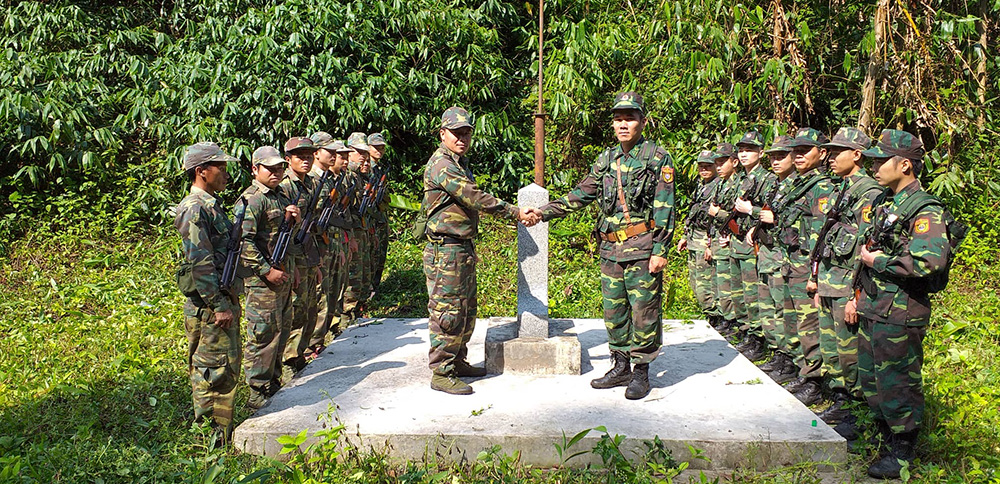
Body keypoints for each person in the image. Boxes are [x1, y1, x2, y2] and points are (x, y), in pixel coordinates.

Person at [529, 91, 675, 400]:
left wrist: (661, 249)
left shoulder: (656, 157)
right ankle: (620, 365)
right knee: (614, 312)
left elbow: (665, 205)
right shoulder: (606, 159)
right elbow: (582, 194)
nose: (623, 124)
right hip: (610, 249)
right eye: (618, 119)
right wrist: (543, 213)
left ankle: (641, 372)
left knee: (643, 311)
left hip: (642, 247)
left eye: (630, 118)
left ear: (642, 121)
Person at [850, 130, 951, 479]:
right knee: (872, 378)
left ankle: (903, 449)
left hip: (901, 310)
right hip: (875, 305)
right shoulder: (886, 202)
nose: (875, 166)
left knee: (898, 381)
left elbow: (929, 261)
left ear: (904, 164)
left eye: (881, 161)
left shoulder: (925, 209)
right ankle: (883, 437)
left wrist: (879, 262)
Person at [421, 106, 537, 395]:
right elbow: (472, 196)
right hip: (445, 249)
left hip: (460, 247)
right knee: (447, 310)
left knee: (465, 308)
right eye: (456, 133)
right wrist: (514, 212)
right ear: (442, 134)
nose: (462, 138)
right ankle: (441, 370)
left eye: (466, 133)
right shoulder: (442, 165)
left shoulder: (458, 162)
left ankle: (457, 360)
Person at [812, 128, 882, 424]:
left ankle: (856, 410)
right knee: (832, 350)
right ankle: (840, 400)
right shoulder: (842, 188)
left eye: (837, 151)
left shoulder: (869, 193)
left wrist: (856, 296)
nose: (829, 157)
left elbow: (865, 248)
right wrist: (817, 282)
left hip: (846, 287)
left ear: (856, 155)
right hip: (830, 282)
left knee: (849, 351)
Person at [173, 142, 243, 439]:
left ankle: (221, 434)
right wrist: (218, 305)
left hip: (220, 299)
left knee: (224, 368)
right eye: (221, 168)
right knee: (212, 371)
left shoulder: (211, 203)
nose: (226, 174)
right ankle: (210, 440)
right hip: (209, 307)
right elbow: (200, 263)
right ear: (201, 172)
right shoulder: (194, 209)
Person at [775, 127, 836, 405]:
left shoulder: (822, 188)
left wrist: (815, 273)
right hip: (791, 261)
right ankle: (804, 369)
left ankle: (815, 380)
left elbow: (821, 236)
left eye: (805, 150)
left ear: (822, 153)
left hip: (806, 266)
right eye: (795, 151)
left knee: (809, 324)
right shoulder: (798, 184)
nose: (798, 155)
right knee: (794, 322)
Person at [238, 146, 300, 409]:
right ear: (255, 169)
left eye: (279, 169)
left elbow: (282, 236)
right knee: (263, 333)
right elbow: (243, 241)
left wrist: (293, 219)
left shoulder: (280, 194)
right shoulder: (253, 199)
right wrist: (266, 270)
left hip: (282, 274)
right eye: (269, 169)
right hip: (262, 280)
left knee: (281, 329)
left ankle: (273, 381)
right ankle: (257, 389)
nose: (276, 173)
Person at [749, 135, 799, 383]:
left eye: (781, 156)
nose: (776, 161)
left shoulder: (797, 185)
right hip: (767, 255)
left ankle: (790, 359)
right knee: (768, 308)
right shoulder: (776, 185)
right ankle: (778, 352)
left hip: (781, 256)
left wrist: (764, 216)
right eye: (773, 157)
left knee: (783, 310)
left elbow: (796, 222)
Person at [729, 130, 778, 362]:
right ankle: (748, 332)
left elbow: (772, 211)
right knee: (740, 293)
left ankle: (759, 339)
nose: (744, 153)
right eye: (741, 150)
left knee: (754, 293)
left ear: (761, 153)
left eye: (749, 149)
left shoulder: (768, 179)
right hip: (737, 241)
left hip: (754, 243)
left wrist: (753, 218)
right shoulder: (740, 179)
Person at [279, 137, 322, 375]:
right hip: (292, 255)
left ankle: (299, 353)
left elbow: (310, 225)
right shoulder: (286, 186)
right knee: (295, 309)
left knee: (307, 306)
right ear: (288, 159)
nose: (305, 161)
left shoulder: (310, 183)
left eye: (308, 156)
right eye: (299, 157)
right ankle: (288, 360)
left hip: (307, 251)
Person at [306, 132, 348, 355]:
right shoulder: (311, 180)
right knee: (319, 294)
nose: (334, 155)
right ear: (316, 153)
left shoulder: (329, 179)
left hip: (332, 241)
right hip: (317, 245)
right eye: (329, 151)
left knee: (332, 289)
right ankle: (312, 342)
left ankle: (321, 336)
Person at [676, 150, 720, 324]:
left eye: (708, 166)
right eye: (701, 166)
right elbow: (694, 211)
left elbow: (717, 220)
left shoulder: (719, 186)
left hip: (706, 238)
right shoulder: (701, 185)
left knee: (706, 285)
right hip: (694, 237)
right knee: (695, 282)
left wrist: (710, 243)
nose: (704, 169)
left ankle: (716, 318)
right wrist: (685, 235)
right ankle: (710, 314)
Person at [706, 143, 741, 336]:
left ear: (734, 162)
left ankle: (732, 321)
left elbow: (737, 216)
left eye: (722, 162)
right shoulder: (720, 184)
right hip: (720, 239)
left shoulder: (739, 183)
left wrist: (719, 214)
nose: (718, 167)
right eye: (716, 163)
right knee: (719, 285)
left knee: (730, 287)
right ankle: (725, 318)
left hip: (732, 241)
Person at [341, 132, 372, 328]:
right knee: (350, 278)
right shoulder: (346, 177)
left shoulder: (358, 176)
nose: (363, 156)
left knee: (360, 275)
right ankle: (345, 320)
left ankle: (354, 314)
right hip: (347, 234)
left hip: (359, 231)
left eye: (364, 152)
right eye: (358, 152)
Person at [367, 132, 391, 295]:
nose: (379, 150)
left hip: (380, 217)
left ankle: (375, 287)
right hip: (369, 218)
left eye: (381, 147)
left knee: (380, 253)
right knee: (369, 254)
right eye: (376, 147)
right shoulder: (366, 168)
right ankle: (367, 289)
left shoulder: (380, 169)